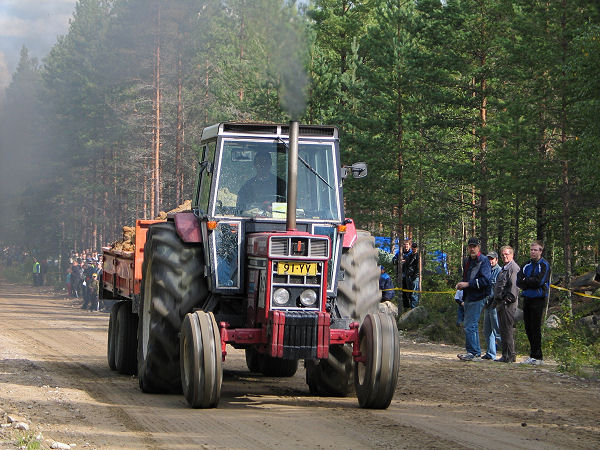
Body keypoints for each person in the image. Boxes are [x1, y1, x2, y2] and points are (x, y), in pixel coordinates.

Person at [455, 237, 491, 361]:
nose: (472, 248)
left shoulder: (484, 260)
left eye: (474, 246)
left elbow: (486, 280)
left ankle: (474, 352)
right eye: (470, 246)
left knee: (471, 325)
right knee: (469, 324)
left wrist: (468, 284)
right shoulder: (467, 261)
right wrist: (462, 287)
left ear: (478, 247)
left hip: (479, 296)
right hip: (468, 296)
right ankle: (473, 351)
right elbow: (466, 277)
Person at [516, 240, 551, 365]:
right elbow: (519, 281)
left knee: (535, 327)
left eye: (535, 250)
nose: (533, 252)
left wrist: (527, 281)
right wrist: (528, 281)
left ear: (540, 251)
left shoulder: (544, 265)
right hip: (527, 298)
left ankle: (538, 356)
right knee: (528, 327)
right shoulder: (526, 264)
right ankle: (532, 355)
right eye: (531, 250)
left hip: (538, 299)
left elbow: (539, 282)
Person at [494, 245, 520, 363]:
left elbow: (514, 287)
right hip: (501, 303)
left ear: (512, 255)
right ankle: (505, 355)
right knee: (503, 330)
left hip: (508, 304)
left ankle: (510, 355)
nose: (505, 256)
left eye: (507, 254)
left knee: (507, 329)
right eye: (503, 254)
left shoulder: (513, 268)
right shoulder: (504, 268)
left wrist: (507, 300)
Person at [481, 251, 502, 360]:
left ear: (496, 260)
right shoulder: (486, 270)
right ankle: (491, 353)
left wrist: (493, 300)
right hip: (487, 304)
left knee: (497, 330)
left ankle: (507, 353)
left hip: (495, 304)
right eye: (488, 259)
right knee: (487, 330)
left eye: (492, 259)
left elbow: (498, 289)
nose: (490, 261)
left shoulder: (500, 271)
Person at [393, 239, 419, 311]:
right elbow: (393, 260)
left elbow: (416, 265)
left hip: (411, 276)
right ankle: (406, 308)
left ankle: (413, 308)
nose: (406, 246)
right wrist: (398, 261)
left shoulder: (412, 254)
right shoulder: (399, 253)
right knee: (404, 293)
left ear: (409, 246)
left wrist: (405, 261)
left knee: (412, 293)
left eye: (407, 245)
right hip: (402, 276)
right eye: (404, 245)